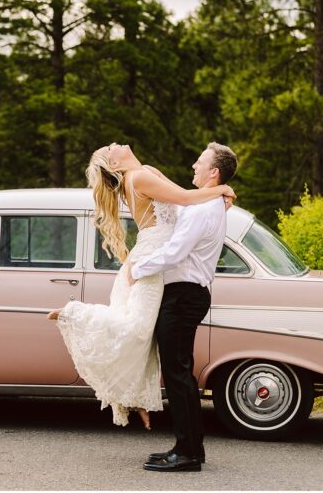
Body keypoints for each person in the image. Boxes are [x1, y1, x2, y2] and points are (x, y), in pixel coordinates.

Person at [47, 142, 234, 432]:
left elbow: (186, 205)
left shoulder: (146, 172)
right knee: (136, 329)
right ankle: (76, 314)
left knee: (146, 335)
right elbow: (186, 198)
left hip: (154, 261)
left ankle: (139, 401)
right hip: (149, 262)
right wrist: (221, 190)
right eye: (110, 148)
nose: (115, 144)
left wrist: (216, 192)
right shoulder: (138, 178)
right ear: (116, 164)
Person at [132, 141, 238, 473]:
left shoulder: (206, 208)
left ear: (214, 172)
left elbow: (176, 251)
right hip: (185, 294)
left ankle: (188, 453)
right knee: (180, 373)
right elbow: (177, 210)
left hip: (183, 295)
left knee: (178, 375)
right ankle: (188, 447)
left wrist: (137, 270)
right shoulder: (206, 204)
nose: (194, 165)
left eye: (199, 162)